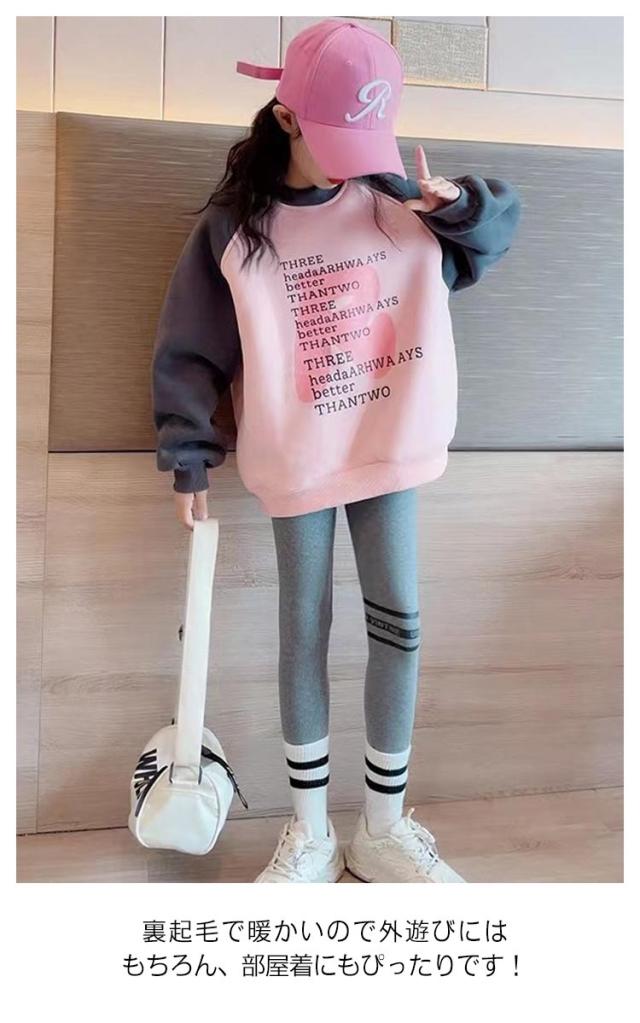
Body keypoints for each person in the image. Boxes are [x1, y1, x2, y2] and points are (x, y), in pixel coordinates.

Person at [151, 18, 521, 883]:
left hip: (390, 442)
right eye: (335, 140)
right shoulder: (236, 228)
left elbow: (495, 231)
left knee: (400, 624)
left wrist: (458, 204)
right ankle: (311, 831)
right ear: (285, 118)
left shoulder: (402, 202)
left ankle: (382, 828)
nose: (353, 163)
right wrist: (188, 452)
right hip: (300, 457)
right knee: (303, 629)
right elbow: (191, 346)